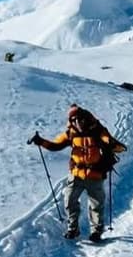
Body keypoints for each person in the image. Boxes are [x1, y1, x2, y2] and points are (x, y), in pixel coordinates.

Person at [28, 104, 126, 242]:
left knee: (96, 204)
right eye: (73, 120)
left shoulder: (98, 130)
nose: (77, 122)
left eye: (79, 119)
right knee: (69, 200)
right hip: (76, 174)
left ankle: (96, 232)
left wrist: (109, 142)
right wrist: (41, 142)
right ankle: (73, 229)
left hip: (95, 174)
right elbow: (56, 145)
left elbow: (110, 141)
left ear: (85, 118)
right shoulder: (70, 133)